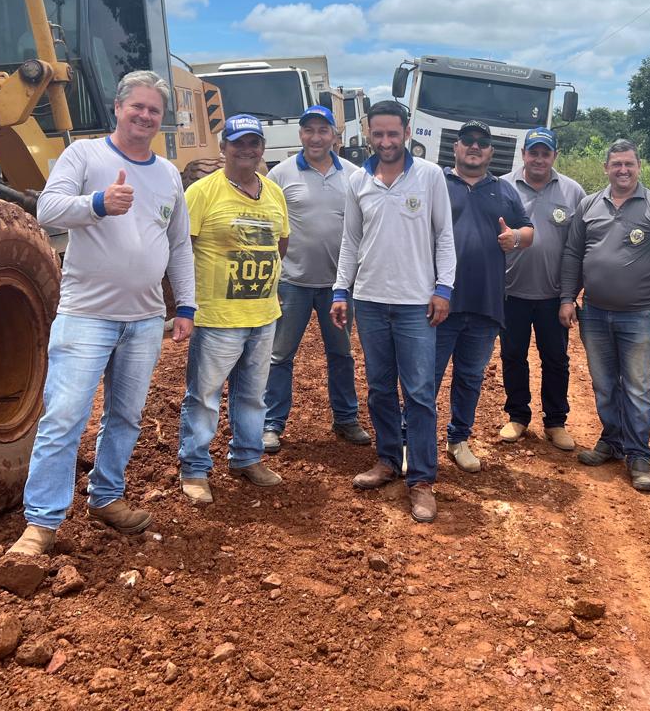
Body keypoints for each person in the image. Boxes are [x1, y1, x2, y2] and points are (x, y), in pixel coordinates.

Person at [9, 71, 195, 555]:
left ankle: (106, 496)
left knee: (126, 416)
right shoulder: (85, 155)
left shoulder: (168, 174)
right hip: (87, 313)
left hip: (146, 318)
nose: (146, 116)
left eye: (154, 110)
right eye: (138, 106)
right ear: (118, 107)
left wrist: (187, 305)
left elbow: (178, 246)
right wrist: (97, 203)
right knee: (65, 415)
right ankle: (42, 523)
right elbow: (47, 210)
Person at [331, 100, 455, 523]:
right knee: (380, 388)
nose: (386, 141)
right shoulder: (358, 180)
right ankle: (387, 460)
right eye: (378, 133)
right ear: (368, 133)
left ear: (406, 132)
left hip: (416, 304)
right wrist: (339, 291)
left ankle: (420, 480)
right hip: (369, 300)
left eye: (393, 133)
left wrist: (443, 289)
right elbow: (351, 240)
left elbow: (444, 237)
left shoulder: (430, 176)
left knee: (419, 393)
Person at [177, 113, 289, 503]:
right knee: (204, 396)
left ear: (262, 149)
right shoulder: (202, 193)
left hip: (263, 314)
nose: (246, 150)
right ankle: (194, 468)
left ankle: (246, 457)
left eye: (253, 143)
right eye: (238, 143)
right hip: (217, 317)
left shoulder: (273, 193)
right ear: (223, 148)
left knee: (253, 394)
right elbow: (179, 250)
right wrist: (180, 305)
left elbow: (281, 244)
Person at [559, 138, 650, 493]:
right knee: (604, 384)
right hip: (595, 314)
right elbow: (572, 254)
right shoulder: (588, 205)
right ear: (606, 168)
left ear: (638, 166)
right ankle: (612, 441)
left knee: (639, 388)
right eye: (616, 165)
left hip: (640, 316)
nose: (623, 170)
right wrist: (568, 297)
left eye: (629, 164)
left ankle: (639, 455)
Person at [262, 105, 368, 452]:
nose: (316, 137)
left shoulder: (353, 175)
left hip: (338, 286)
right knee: (280, 355)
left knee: (341, 354)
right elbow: (271, 225)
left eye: (323, 130)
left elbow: (361, 228)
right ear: (301, 135)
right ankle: (271, 424)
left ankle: (346, 419)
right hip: (292, 282)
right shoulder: (280, 174)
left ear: (334, 136)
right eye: (309, 130)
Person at [436, 120, 532, 472]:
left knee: (470, 378)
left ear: (491, 151)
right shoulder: (437, 183)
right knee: (424, 379)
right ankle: (410, 441)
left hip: (485, 305)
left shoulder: (503, 190)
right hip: (440, 302)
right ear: (456, 148)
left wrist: (516, 239)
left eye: (482, 142)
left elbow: (528, 229)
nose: (474, 146)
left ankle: (458, 439)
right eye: (467, 141)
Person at [499, 127, 586, 450]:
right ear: (523, 154)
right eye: (533, 152)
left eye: (545, 153)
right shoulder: (503, 187)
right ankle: (518, 416)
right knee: (513, 356)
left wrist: (569, 297)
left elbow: (578, 248)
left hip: (553, 296)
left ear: (555, 156)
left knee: (555, 359)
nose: (538, 159)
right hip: (510, 293)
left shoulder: (573, 192)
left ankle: (555, 421)